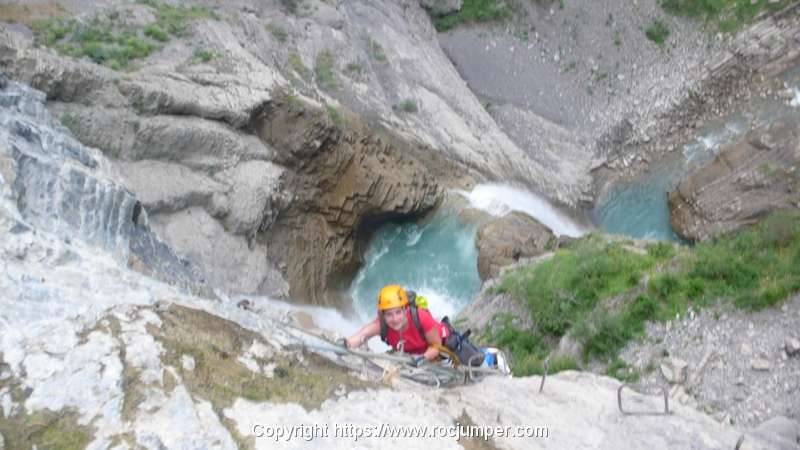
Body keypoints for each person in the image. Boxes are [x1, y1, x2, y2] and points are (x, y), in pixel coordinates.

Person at [343, 284, 449, 366]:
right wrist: (345, 344)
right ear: (382, 315)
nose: (395, 319)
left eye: (398, 312)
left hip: (440, 348)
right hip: (410, 353)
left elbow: (436, 347)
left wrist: (422, 359)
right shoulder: (382, 324)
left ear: (406, 309)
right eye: (389, 314)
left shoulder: (421, 317)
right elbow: (362, 335)